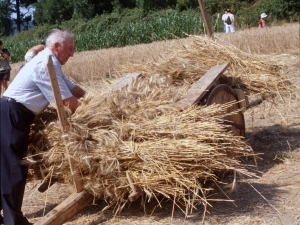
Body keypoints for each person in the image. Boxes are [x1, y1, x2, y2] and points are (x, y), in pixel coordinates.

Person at [0, 29, 86, 225]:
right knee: (14, 168)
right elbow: (66, 100)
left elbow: (72, 88)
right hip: (13, 114)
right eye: (70, 49)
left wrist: (94, 99)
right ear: (57, 46)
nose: (72, 54)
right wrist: (90, 113)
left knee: (7, 166)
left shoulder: (51, 62)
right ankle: (13, 222)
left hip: (12, 113)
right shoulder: (45, 63)